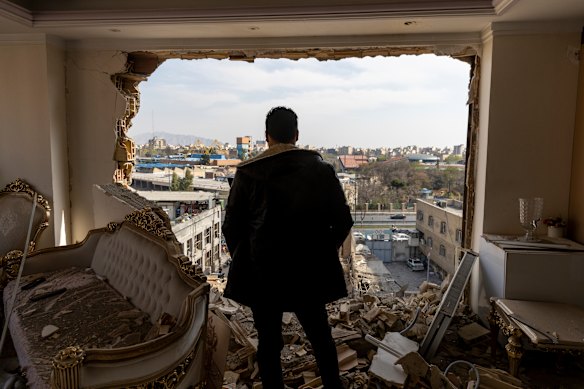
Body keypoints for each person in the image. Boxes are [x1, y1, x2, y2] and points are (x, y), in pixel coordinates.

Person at [222, 106, 354, 388]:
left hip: (263, 274)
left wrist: (247, 258)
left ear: (266, 136)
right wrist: (321, 252)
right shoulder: (320, 170)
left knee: (269, 344)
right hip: (307, 272)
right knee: (321, 338)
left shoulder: (247, 174)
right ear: (296, 134)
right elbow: (343, 220)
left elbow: (231, 228)